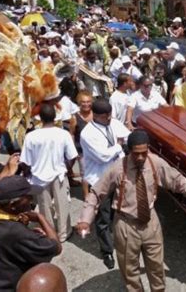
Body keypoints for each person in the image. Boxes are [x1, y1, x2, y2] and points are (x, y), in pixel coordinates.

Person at [76, 130, 186, 292]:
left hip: (150, 223)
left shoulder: (155, 163)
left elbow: (177, 181)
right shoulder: (118, 169)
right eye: (136, 153)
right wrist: (85, 219)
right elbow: (96, 193)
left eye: (144, 153)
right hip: (126, 225)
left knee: (156, 266)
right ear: (129, 150)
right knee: (129, 270)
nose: (140, 157)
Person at [79, 99, 131, 269]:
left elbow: (127, 134)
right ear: (95, 115)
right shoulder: (88, 134)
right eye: (105, 116)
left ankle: (123, 241)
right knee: (103, 218)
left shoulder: (112, 123)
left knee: (121, 212)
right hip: (101, 181)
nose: (109, 118)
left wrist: (124, 141)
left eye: (110, 115)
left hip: (119, 177)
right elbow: (103, 156)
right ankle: (107, 251)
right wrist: (118, 146)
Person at [20, 104, 78, 242]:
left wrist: (27, 174)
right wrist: (67, 168)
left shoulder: (31, 136)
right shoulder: (63, 134)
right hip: (59, 175)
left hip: (39, 177)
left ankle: (49, 233)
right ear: (55, 117)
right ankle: (64, 233)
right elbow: (72, 156)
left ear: (40, 118)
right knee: (62, 205)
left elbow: (25, 162)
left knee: (44, 207)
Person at [0, 176, 61, 290]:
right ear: (13, 205)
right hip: (7, 287)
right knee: (50, 274)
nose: (31, 200)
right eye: (28, 197)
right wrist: (40, 218)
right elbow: (57, 247)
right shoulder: (17, 232)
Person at [69, 91, 93, 197]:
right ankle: (86, 196)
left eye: (88, 101)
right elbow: (72, 134)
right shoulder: (74, 118)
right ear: (79, 103)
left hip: (96, 148)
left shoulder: (96, 114)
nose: (86, 104)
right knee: (85, 174)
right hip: (82, 150)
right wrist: (73, 150)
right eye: (83, 102)